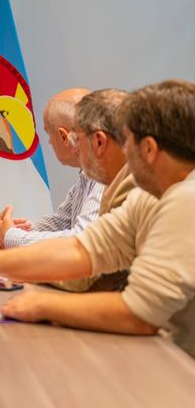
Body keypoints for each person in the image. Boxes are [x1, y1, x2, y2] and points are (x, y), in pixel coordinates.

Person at [0, 80, 195, 358]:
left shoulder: (186, 198)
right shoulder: (149, 196)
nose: (124, 153)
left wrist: (43, 305)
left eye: (128, 142)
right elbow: (81, 249)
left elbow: (140, 314)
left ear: (149, 149)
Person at [0, 88, 104, 248]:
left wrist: (12, 236)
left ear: (64, 137)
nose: (50, 142)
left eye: (49, 134)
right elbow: (61, 222)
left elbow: (82, 240)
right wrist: (16, 229)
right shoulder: (86, 176)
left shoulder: (105, 176)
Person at [53, 88, 135, 291]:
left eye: (77, 139)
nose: (75, 148)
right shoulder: (119, 183)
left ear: (99, 141)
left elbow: (83, 270)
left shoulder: (137, 190)